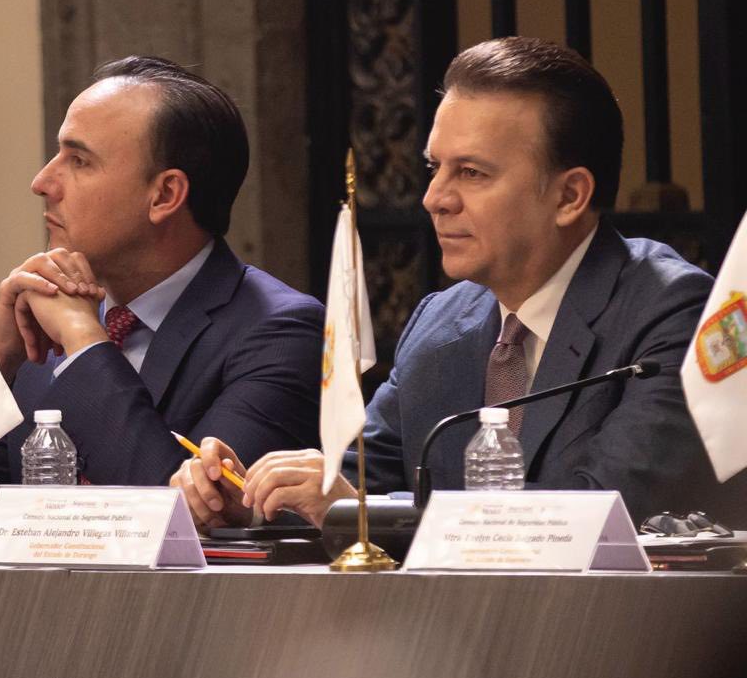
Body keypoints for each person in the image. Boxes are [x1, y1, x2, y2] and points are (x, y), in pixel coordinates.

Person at [177, 36, 727, 529]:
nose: (434, 198)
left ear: (569, 196)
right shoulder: (440, 322)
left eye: (471, 172)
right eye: (433, 168)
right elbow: (358, 482)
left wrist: (357, 509)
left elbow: (604, 512)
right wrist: (256, 499)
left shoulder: (672, 312)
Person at [0, 56, 324, 514]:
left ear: (165, 195)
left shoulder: (279, 334)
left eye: (79, 161)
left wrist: (85, 343)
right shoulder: (38, 334)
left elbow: (188, 519)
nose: (42, 182)